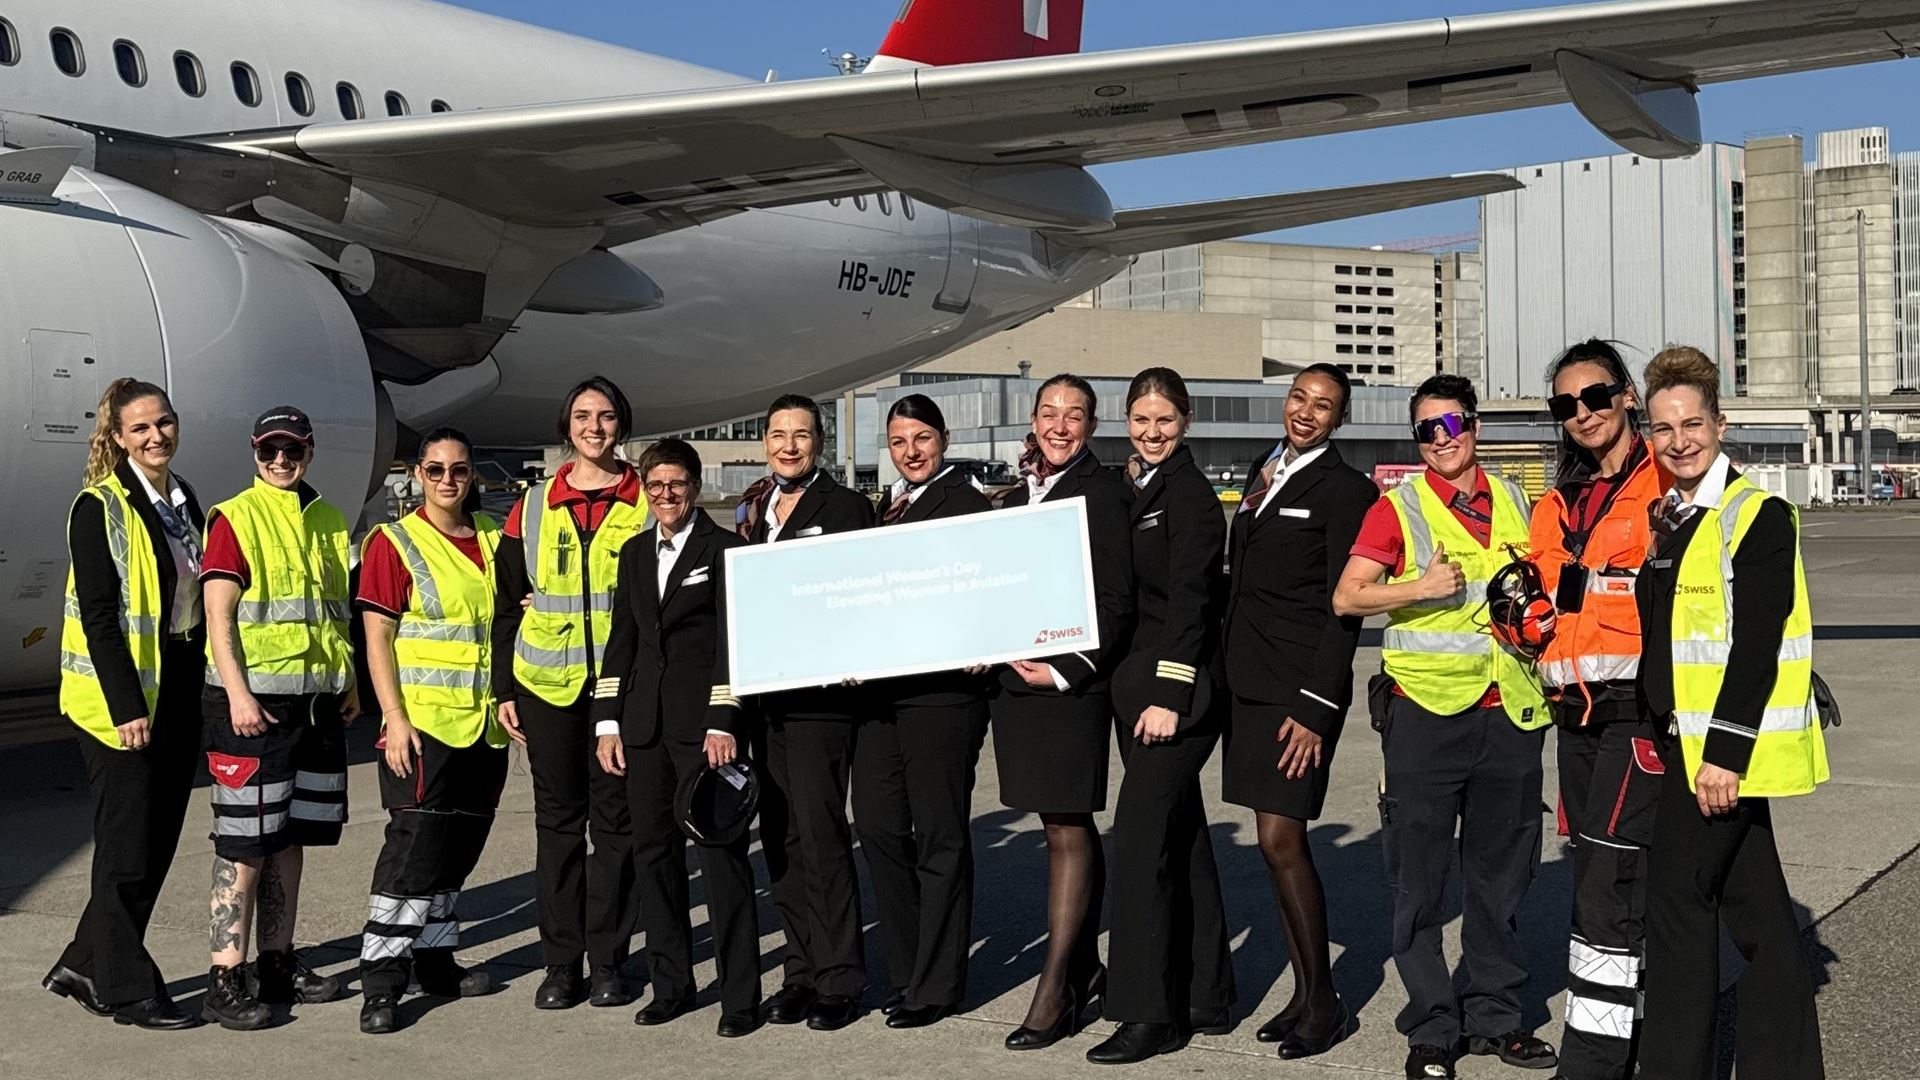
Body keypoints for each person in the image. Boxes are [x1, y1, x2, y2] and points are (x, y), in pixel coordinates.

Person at [1333, 375, 1556, 1080]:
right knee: (1420, 880)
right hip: (1426, 718)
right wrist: (1418, 589)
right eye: (1426, 430)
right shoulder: (1396, 510)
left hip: (1512, 712)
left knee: (1501, 877)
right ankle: (1432, 1023)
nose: (1440, 440)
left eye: (1451, 425)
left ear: (1475, 426)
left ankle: (1497, 1015)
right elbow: (1348, 596)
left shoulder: (1523, 502)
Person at [1635, 347, 1828, 1080]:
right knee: (1763, 924)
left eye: (1692, 423)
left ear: (1721, 423)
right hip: (1685, 744)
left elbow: (1758, 640)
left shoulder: (1756, 514)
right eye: (1662, 428)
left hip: (1716, 756)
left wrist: (1725, 752)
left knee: (1679, 914)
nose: (1679, 440)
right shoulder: (1675, 516)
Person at [1220, 363, 1378, 1059]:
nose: (1306, 413)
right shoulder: (1265, 469)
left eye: (1323, 406)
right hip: (1249, 683)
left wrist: (1317, 706)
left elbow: (1343, 610)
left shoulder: (1347, 490)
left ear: (1340, 420)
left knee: (1284, 840)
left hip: (1298, 691)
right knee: (1267, 841)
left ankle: (1324, 1002)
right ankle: (1305, 990)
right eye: (1299, 398)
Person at [44, 379, 208, 1030]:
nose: (155, 436)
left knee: (159, 842)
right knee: (127, 848)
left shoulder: (181, 499)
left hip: (176, 693)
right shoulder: (98, 508)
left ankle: (86, 959)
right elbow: (100, 616)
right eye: (139, 428)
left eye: (163, 422)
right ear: (117, 438)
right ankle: (127, 989)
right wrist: (125, 705)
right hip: (120, 705)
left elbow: (189, 598)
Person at [1527, 340, 1669, 1079]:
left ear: (1624, 398)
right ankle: (1633, 1036)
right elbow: (1542, 614)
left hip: (1637, 714)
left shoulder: (1666, 486)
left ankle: (1593, 1061)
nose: (1580, 414)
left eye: (1593, 396)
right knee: (1598, 876)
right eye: (1564, 405)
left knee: (1607, 887)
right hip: (1572, 717)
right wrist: (1515, 614)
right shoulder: (1555, 506)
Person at [1087, 369, 1235, 1065]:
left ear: (1187, 419)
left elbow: (1190, 605)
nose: (1152, 433)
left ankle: (1149, 1012)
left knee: (1140, 841)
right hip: (1137, 690)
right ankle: (1207, 991)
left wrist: (1169, 697)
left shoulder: (1192, 498)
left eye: (1165, 422)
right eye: (1142, 421)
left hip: (1174, 699)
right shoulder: (1139, 486)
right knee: (1185, 840)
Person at [591, 438, 762, 1038]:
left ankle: (740, 996)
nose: (666, 494)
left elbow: (733, 645)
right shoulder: (635, 554)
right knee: (655, 858)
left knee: (721, 859)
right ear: (644, 487)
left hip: (703, 730)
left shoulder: (725, 551)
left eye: (677, 484)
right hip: (642, 729)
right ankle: (672, 986)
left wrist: (725, 718)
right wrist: (607, 720)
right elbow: (623, 640)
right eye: (655, 484)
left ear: (695, 486)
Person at [198, 405, 358, 1030]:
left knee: (291, 839)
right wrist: (238, 694)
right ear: (254, 453)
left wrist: (347, 683)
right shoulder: (236, 518)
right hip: (252, 709)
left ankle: (276, 961)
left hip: (315, 707)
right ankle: (224, 976)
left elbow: (332, 611)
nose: (281, 461)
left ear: (310, 452)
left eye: (292, 450)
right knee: (243, 846)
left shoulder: (329, 519)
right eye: (270, 451)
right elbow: (219, 618)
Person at [492, 376, 649, 1009]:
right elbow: (506, 604)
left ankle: (609, 961)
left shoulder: (646, 498)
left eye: (607, 416)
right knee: (558, 827)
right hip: (546, 688)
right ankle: (562, 964)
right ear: (566, 426)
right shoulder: (530, 505)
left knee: (617, 826)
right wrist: (504, 686)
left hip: (621, 690)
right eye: (582, 415)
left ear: (621, 426)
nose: (594, 427)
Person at [992, 373, 1135, 1052]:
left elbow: (1115, 598)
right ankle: (1085, 969)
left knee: (1067, 827)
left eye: (1073, 416)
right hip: (1018, 688)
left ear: (1091, 426)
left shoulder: (1102, 491)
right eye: (1049, 413)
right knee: (1056, 821)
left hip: (1069, 686)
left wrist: (1063, 670)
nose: (1059, 425)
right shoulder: (1019, 492)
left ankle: (1055, 988)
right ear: (1034, 417)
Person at [354, 428, 511, 1035]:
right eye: (437, 469)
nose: (449, 480)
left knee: (458, 851)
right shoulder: (394, 542)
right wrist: (392, 719)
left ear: (474, 476)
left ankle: (435, 957)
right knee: (412, 852)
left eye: (461, 470)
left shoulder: (496, 540)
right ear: (417, 474)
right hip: (422, 725)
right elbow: (378, 638)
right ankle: (382, 977)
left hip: (482, 726)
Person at [727, 394, 875, 1031]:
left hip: (820, 704)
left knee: (821, 835)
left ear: (821, 442)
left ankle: (840, 978)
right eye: (779, 435)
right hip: (768, 702)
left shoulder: (845, 508)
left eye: (803, 435)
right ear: (764, 441)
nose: (790, 446)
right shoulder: (753, 509)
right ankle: (800, 970)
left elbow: (862, 593)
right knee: (782, 838)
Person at [850, 395, 993, 1030]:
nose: (911, 451)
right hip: (881, 696)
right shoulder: (885, 511)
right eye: (900, 440)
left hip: (941, 698)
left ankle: (937, 986)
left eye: (923, 438)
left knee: (938, 836)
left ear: (944, 439)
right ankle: (907, 971)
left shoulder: (964, 503)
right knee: (878, 826)